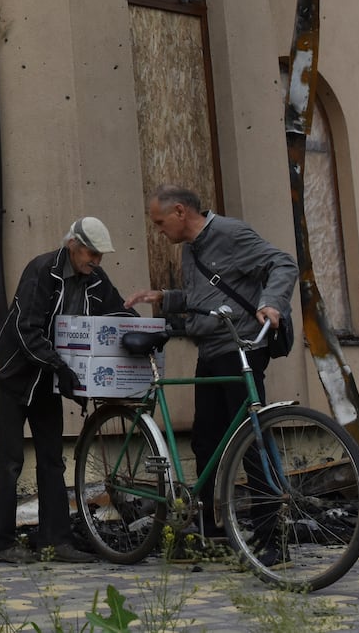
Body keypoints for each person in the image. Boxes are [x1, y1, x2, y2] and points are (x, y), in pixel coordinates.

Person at [124, 184, 299, 555]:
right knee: (207, 440)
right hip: (211, 350)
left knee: (249, 440)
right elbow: (206, 298)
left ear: (180, 212)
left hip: (243, 349)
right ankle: (211, 531)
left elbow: (282, 263)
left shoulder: (231, 234)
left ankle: (273, 540)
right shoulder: (191, 251)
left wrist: (271, 303)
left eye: (159, 222)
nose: (159, 230)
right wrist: (165, 298)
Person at [0, 217, 127, 564]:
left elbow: (116, 313)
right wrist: (59, 366)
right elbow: (26, 330)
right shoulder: (42, 270)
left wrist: (142, 331)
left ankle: (56, 540)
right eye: (91, 254)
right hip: (15, 376)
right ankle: (2, 542)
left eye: (100, 256)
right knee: (8, 461)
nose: (96, 261)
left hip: (49, 378)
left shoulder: (95, 278)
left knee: (52, 460)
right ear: (73, 245)